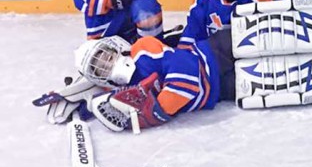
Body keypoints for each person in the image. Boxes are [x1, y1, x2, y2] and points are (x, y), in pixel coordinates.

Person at [74, 32, 233, 132]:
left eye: (108, 57)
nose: (109, 65)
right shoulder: (120, 93)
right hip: (219, 91)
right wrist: (83, 105)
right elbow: (101, 105)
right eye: (102, 69)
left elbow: (186, 69)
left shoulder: (142, 48)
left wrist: (158, 110)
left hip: (214, 53)